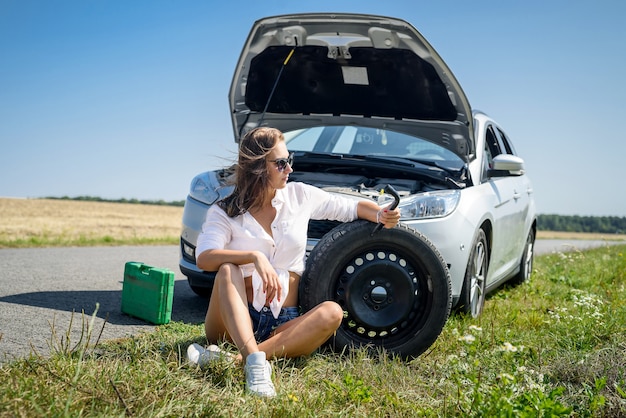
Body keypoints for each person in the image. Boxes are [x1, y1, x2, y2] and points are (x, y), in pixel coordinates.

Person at [187, 126, 400, 397]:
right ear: (256, 167)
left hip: (282, 323)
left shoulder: (300, 196)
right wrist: (253, 257)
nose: (289, 169)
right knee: (228, 270)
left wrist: (382, 214)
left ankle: (244, 359)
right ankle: (255, 363)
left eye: (290, 160)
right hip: (229, 324)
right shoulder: (225, 211)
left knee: (332, 313)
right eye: (281, 163)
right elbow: (204, 258)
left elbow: (351, 207)